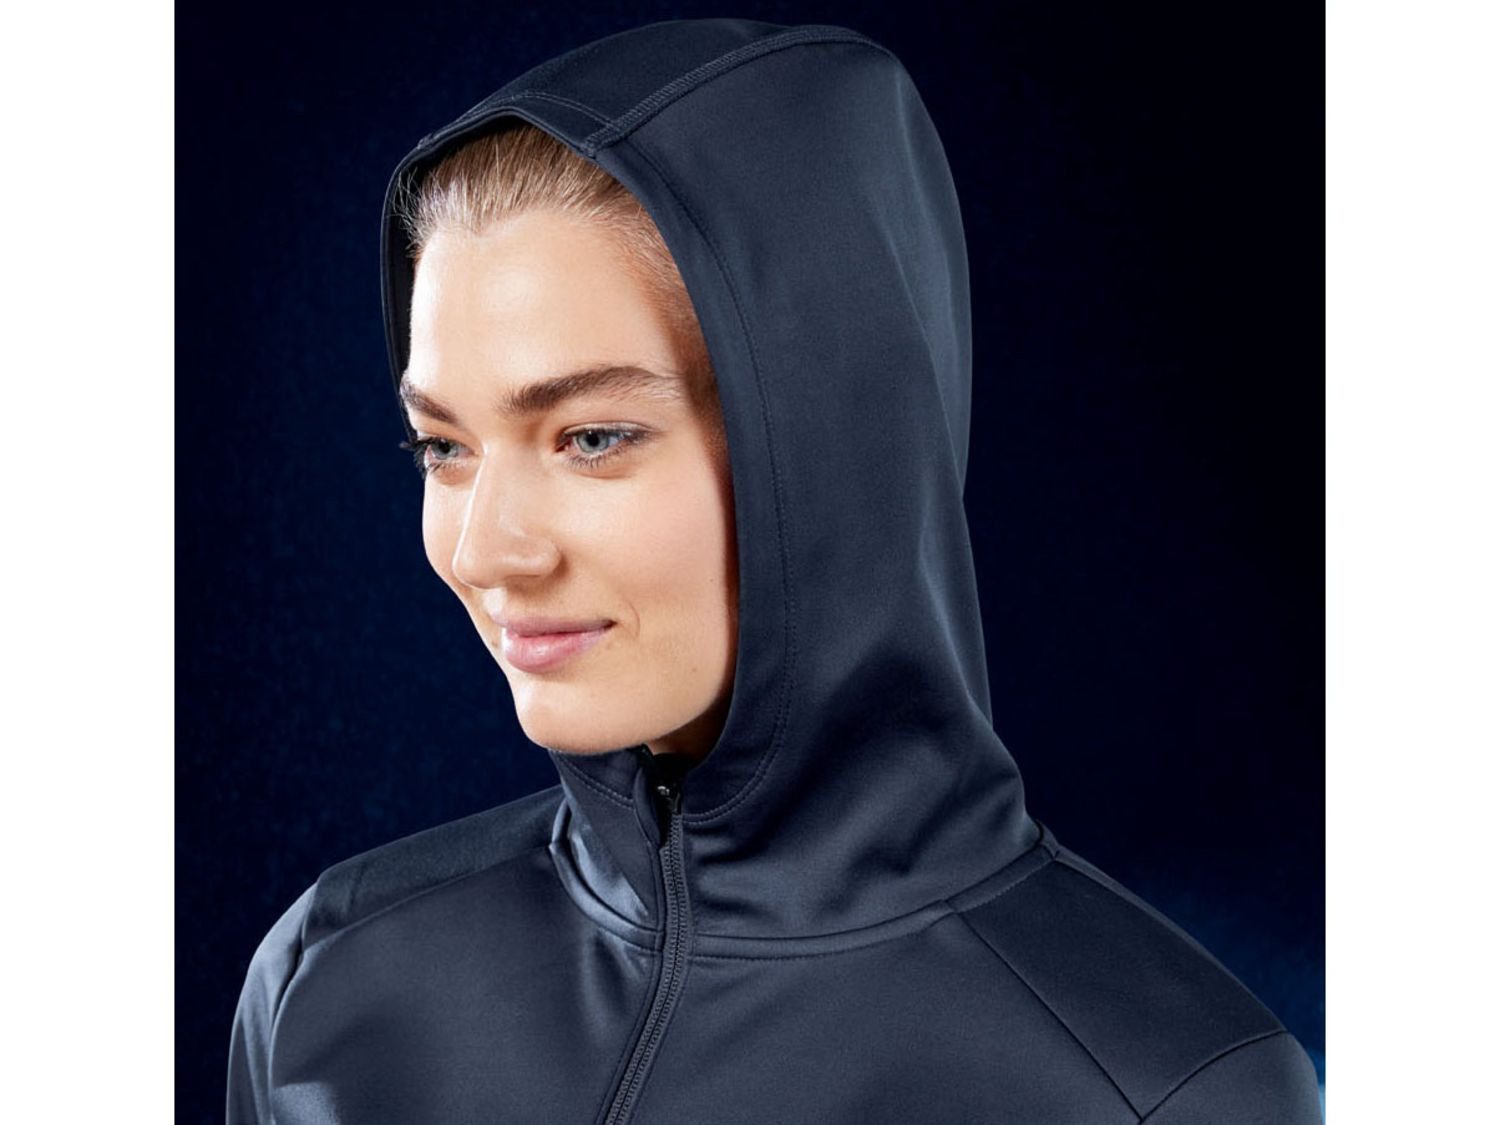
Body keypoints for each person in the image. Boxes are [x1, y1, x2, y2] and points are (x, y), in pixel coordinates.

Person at [227, 17, 1323, 1123]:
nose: (484, 551)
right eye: (443, 447)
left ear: (830, 437)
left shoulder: (1163, 1091)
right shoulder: (332, 986)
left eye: (592, 437)